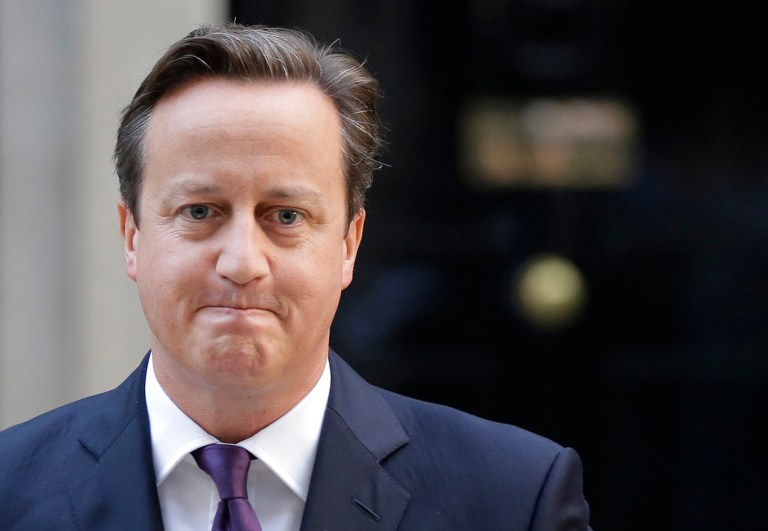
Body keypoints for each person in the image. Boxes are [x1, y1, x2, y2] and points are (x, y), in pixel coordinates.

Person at [0, 22, 593, 530]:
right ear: (132, 236)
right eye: (200, 212)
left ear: (348, 244)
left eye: (286, 216)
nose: (241, 262)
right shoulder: (11, 489)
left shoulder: (512, 498)